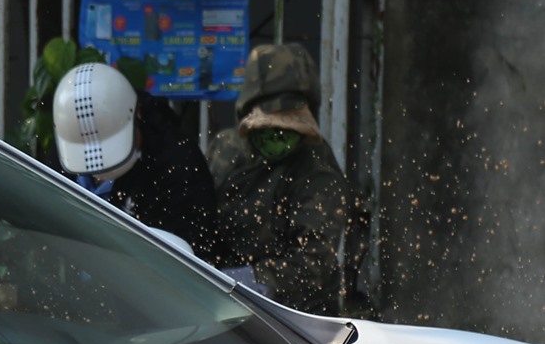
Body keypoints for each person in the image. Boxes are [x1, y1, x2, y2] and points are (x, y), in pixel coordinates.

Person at [207, 42, 348, 315]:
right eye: (267, 128)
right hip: (223, 308)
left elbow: (316, 261)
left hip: (299, 318)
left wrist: (253, 279)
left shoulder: (317, 168)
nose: (276, 137)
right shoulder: (226, 149)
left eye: (286, 128)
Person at [53, 62, 218, 260]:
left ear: (137, 114)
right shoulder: (68, 147)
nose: (99, 173)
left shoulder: (178, 164)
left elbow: (188, 257)